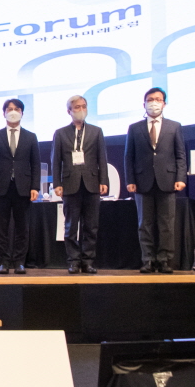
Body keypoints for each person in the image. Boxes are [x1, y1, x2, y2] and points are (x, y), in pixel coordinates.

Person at [124, 87, 188, 274]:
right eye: (150, 99)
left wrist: (180, 178)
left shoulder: (174, 126)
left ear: (164, 104)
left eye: (158, 99)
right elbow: (129, 157)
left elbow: (180, 155)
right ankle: (148, 260)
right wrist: (130, 180)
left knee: (166, 224)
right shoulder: (134, 128)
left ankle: (164, 260)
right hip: (142, 182)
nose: (154, 103)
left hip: (167, 180)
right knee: (145, 224)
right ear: (144, 104)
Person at [52, 95, 109, 274]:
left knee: (91, 226)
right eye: (77, 107)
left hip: (92, 183)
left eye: (84, 106)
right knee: (71, 226)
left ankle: (88, 261)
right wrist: (57, 183)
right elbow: (56, 161)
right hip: (70, 183)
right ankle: (73, 261)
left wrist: (104, 180)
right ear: (69, 111)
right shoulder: (60, 133)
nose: (81, 109)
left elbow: (102, 158)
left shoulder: (96, 131)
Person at [0, 98, 41, 274]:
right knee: (1, 228)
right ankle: (3, 262)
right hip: (0, 188)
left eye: (17, 109)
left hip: (23, 188)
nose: (13, 112)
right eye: (9, 109)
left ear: (22, 113)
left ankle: (19, 262)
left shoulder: (31, 137)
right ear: (4, 113)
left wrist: (35, 187)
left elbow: (36, 164)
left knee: (22, 227)